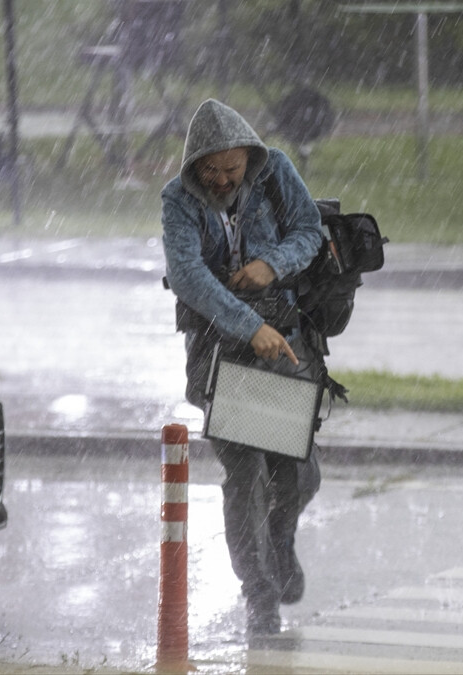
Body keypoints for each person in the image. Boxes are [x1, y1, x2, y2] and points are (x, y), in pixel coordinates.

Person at [161, 99, 325, 637]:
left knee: (298, 474)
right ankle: (259, 593)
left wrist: (270, 264)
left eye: (233, 170)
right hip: (222, 354)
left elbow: (310, 231)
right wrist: (245, 324)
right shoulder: (178, 201)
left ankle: (279, 539)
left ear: (248, 159)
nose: (224, 180)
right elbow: (188, 276)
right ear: (195, 166)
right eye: (213, 171)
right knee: (249, 474)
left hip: (284, 344)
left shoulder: (275, 170)